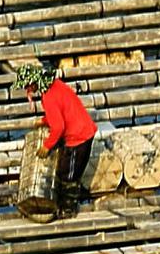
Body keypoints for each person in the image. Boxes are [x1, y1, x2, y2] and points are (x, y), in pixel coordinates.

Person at [12, 63, 97, 218]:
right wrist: (45, 120)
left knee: (68, 176)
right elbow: (60, 110)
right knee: (64, 168)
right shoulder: (55, 85)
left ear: (33, 82)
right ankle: (62, 204)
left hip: (78, 137)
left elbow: (58, 127)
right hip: (80, 129)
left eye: (28, 86)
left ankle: (68, 210)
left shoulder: (48, 97)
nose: (28, 90)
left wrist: (47, 146)